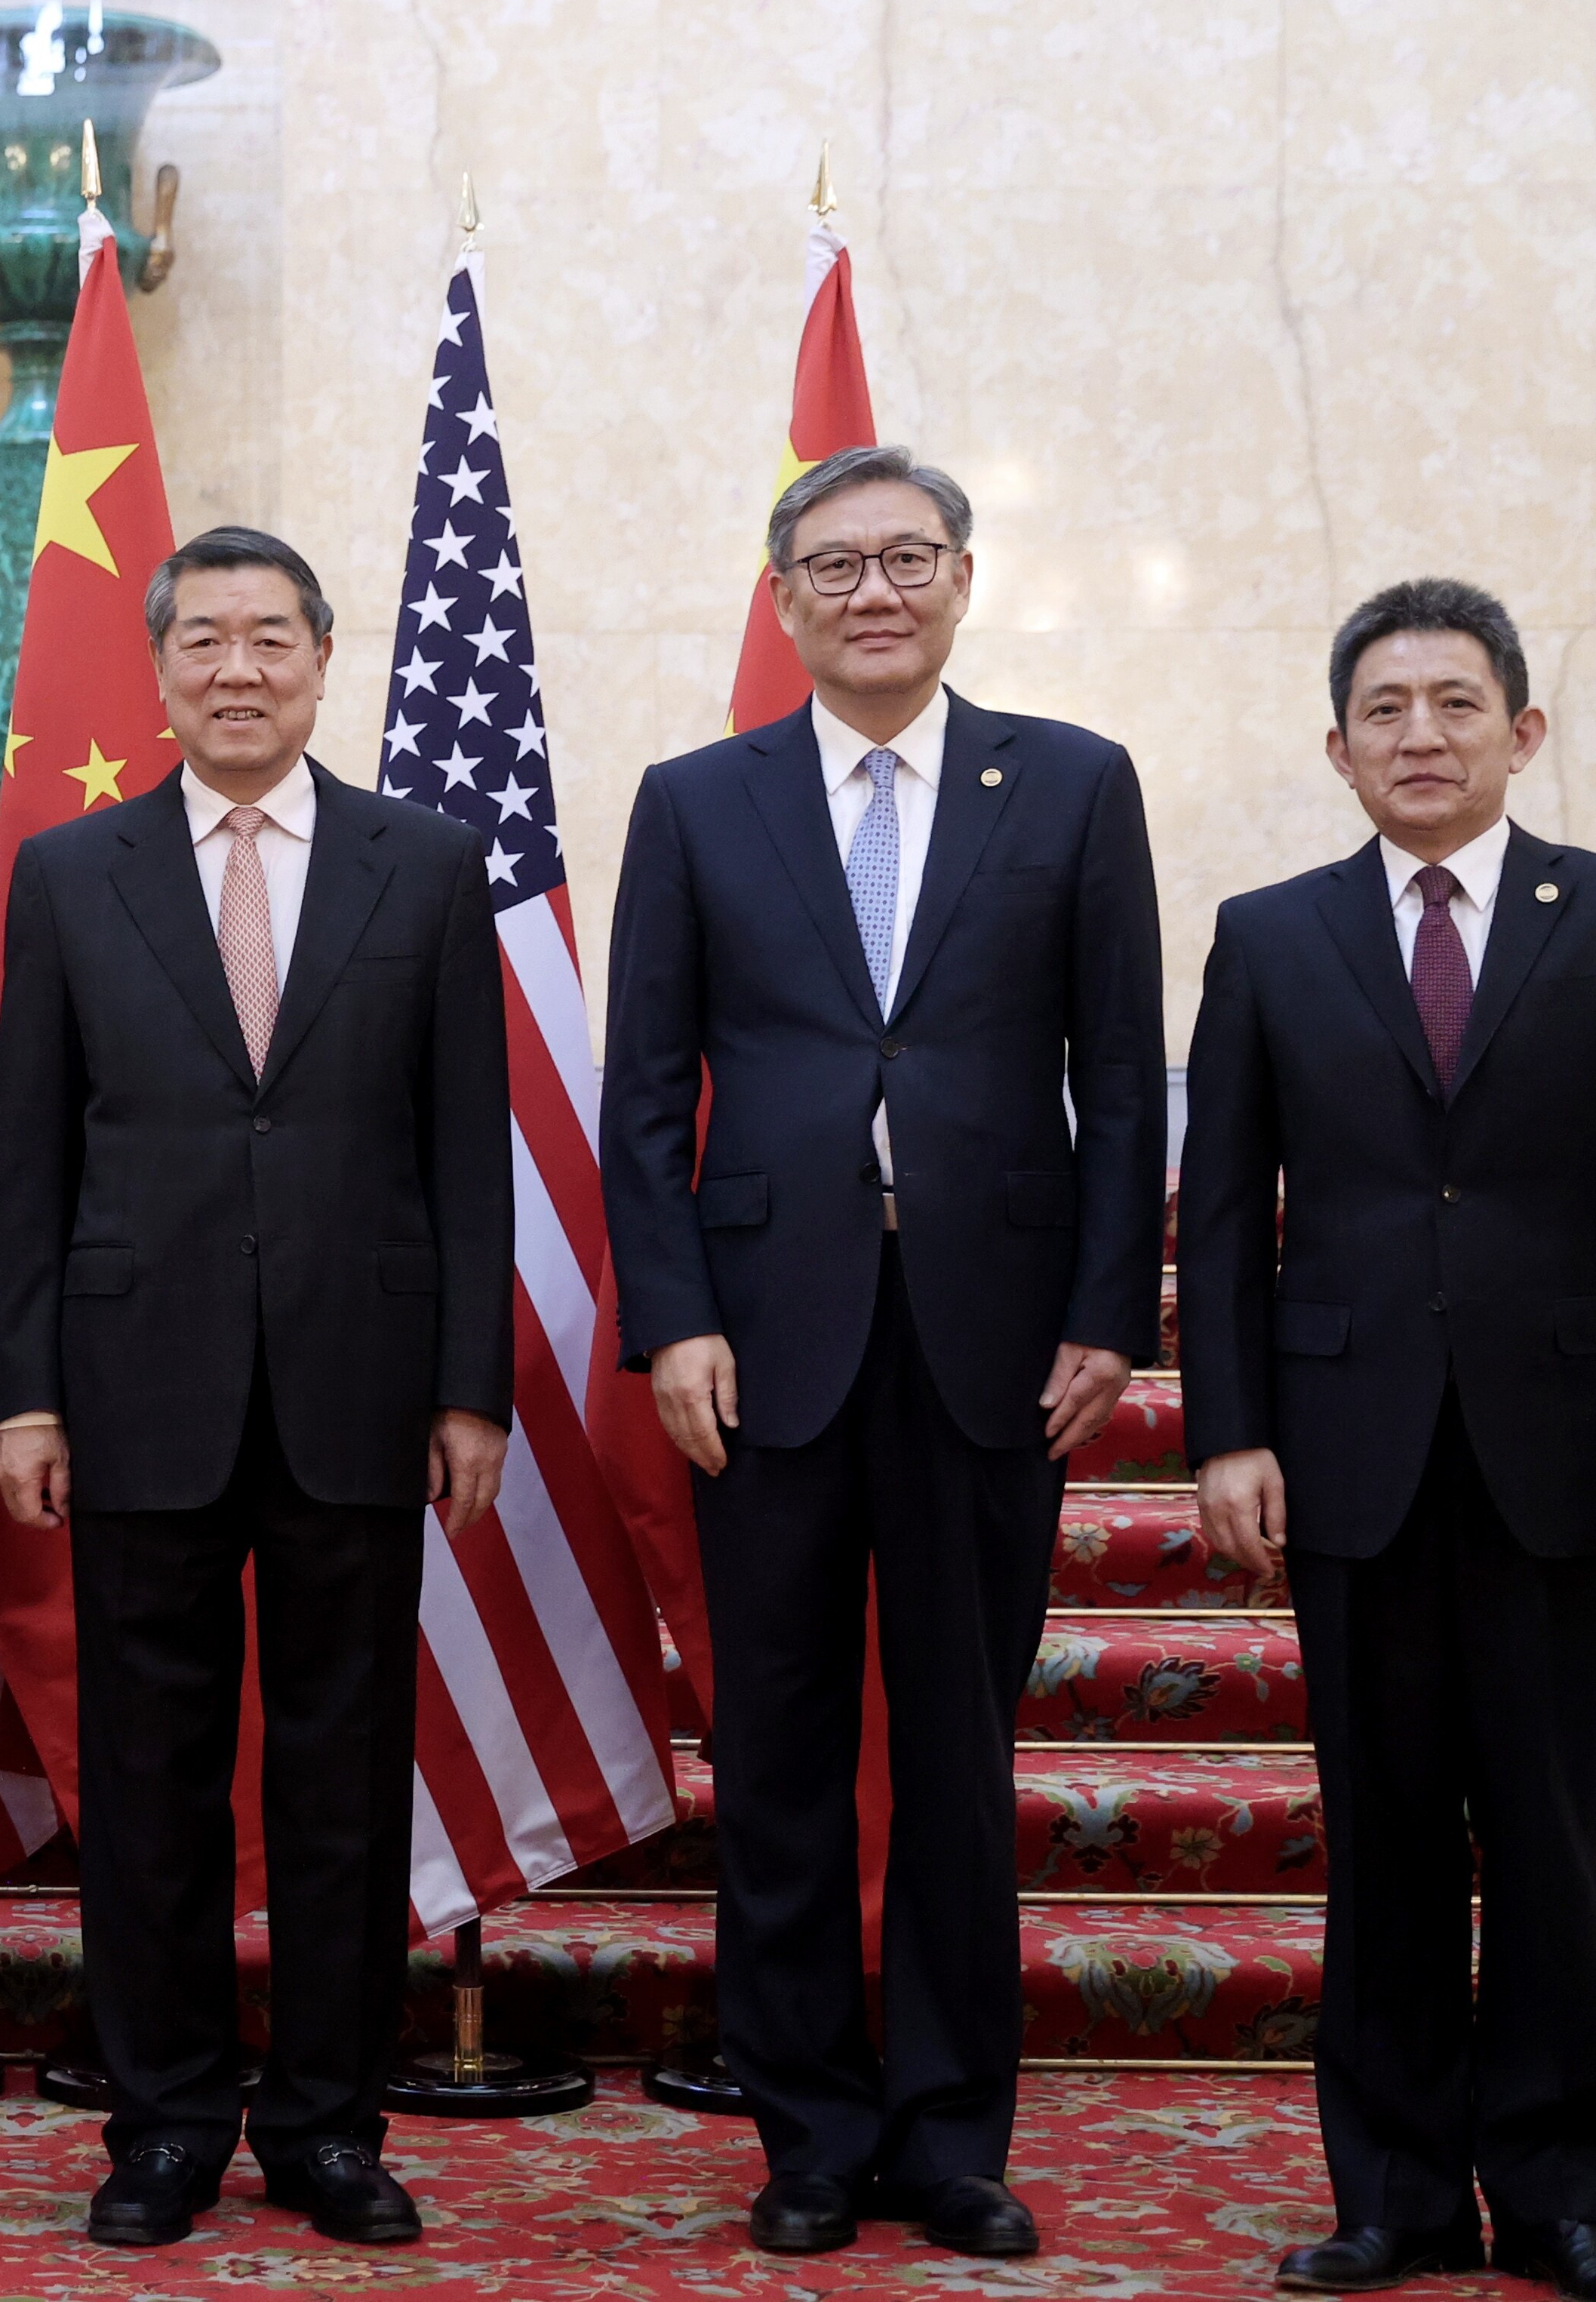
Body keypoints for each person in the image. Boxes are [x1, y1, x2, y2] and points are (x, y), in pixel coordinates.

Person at [601, 445, 1165, 2259]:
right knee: (777, 1754)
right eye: (836, 566)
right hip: (764, 1346)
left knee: (957, 1753)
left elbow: (1120, 1074)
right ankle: (807, 2138)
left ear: (963, 581)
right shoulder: (698, 802)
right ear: (783, 600)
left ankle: (948, 2135)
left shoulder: (1073, 785)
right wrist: (673, 1317)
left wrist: (1109, 1311)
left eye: (909, 558)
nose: (875, 592)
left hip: (991, 1341)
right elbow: (642, 1093)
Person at [0, 526, 512, 2250]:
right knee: (150, 1786)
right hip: (136, 1387)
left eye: (270, 637)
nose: (237, 669)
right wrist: (24, 1393)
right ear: (159, 669)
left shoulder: (427, 864)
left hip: (364, 1384)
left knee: (343, 1779)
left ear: (322, 659)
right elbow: (29, 1156)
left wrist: (473, 1388)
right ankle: (163, 2126)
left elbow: (468, 1145)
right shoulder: (72, 872)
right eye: (203, 639)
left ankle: (329, 2126)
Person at [1185, 580, 1596, 2301]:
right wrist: (1228, 1433)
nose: (1419, 736)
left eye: (1454, 703)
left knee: (1563, 1836)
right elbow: (1222, 1212)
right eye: (1384, 711)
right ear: (1338, 748)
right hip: (1348, 1447)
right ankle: (1398, 2194)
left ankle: (1560, 2186)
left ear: (1523, 730)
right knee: (1388, 1829)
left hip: (1562, 1446)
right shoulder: (1271, 936)